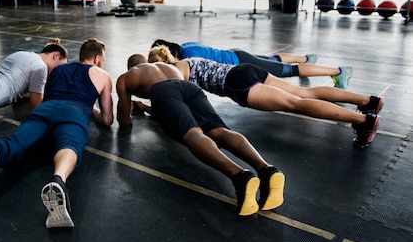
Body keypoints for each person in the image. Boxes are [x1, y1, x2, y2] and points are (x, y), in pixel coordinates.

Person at [0, 38, 114, 228]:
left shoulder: (58, 70)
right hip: (74, 111)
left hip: (44, 110)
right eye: (102, 60)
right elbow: (107, 120)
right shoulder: (102, 75)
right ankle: (58, 181)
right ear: (97, 59)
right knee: (69, 144)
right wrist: (92, 108)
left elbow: (47, 96)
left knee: (10, 144)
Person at [116, 54, 284, 217]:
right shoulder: (167, 67)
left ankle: (241, 177)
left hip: (163, 92)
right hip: (188, 87)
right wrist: (145, 107)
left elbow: (125, 121)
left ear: (130, 67)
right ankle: (267, 170)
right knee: (218, 131)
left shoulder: (126, 77)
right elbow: (172, 105)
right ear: (145, 61)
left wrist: (130, 107)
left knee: (192, 134)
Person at [147, 45, 382, 149]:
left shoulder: (177, 73)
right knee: (304, 94)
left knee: (296, 104)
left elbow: (178, 104)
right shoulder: (190, 60)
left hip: (238, 84)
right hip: (244, 71)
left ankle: (363, 121)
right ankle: (366, 101)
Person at [151, 39, 353, 89]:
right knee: (274, 60)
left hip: (240, 62)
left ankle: (338, 71)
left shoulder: (186, 58)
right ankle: (307, 58)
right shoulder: (187, 45)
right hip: (236, 53)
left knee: (287, 71)